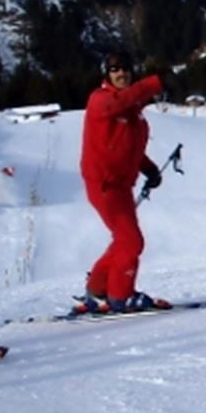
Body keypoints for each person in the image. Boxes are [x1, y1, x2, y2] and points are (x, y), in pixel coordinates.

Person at [75, 50, 170, 315]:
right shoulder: (100, 100)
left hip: (121, 186)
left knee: (123, 240)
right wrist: (153, 84)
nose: (121, 73)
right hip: (104, 185)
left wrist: (149, 169)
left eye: (125, 68)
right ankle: (120, 297)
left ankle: (97, 290)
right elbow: (116, 103)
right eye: (115, 69)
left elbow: (129, 148)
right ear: (106, 74)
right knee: (132, 242)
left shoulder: (132, 112)